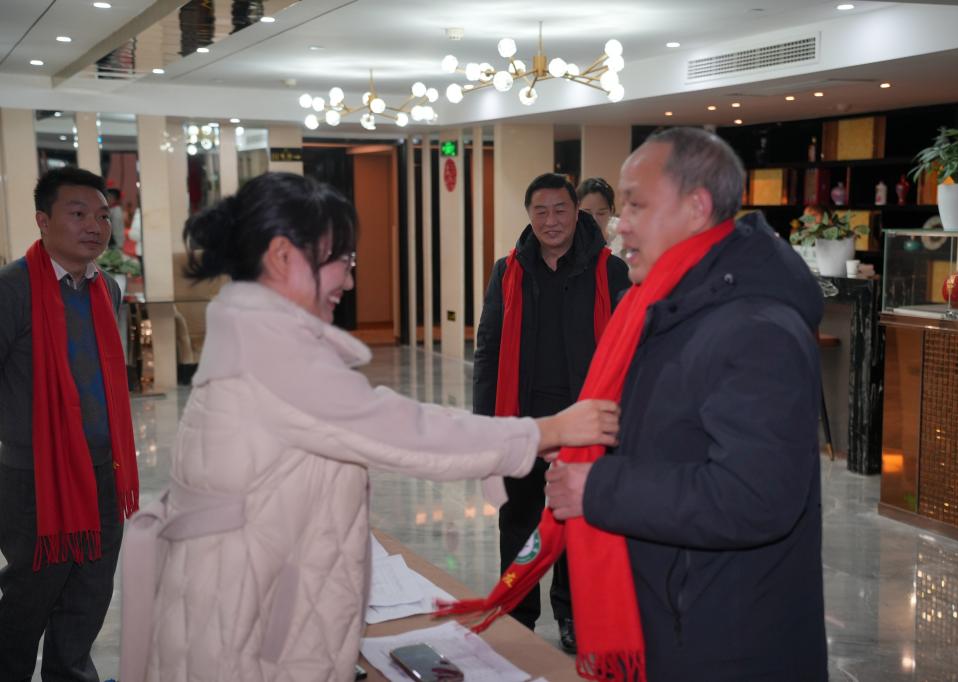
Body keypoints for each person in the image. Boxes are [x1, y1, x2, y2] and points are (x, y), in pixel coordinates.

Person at [123, 172, 618, 681]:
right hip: (245, 638)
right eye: (341, 260)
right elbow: (408, 432)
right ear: (283, 256)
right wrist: (547, 431)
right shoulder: (273, 356)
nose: (350, 281)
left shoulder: (253, 334)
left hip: (243, 612)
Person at [545, 127, 828, 680]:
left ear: (697, 208)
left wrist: (598, 487)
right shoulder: (663, 305)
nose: (618, 223)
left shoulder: (758, 329)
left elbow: (756, 496)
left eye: (636, 204)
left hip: (726, 643)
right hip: (669, 618)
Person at [473, 172, 630, 652]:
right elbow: (488, 349)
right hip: (523, 420)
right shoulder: (509, 271)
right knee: (518, 523)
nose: (551, 220)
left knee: (574, 522)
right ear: (529, 216)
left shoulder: (609, 270)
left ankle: (571, 613)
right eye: (540, 211)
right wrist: (485, 424)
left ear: (576, 212)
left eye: (560, 209)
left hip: (583, 422)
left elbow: (628, 351)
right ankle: (517, 613)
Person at [0, 167, 138, 681]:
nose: (95, 227)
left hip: (104, 468)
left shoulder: (107, 290)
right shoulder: (13, 289)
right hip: (37, 478)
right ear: (43, 220)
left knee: (89, 594)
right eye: (78, 214)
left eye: (102, 215)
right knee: (30, 596)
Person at [577, 177, 622, 255]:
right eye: (587, 213)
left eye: (601, 213)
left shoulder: (622, 242)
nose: (594, 219)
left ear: (611, 211)